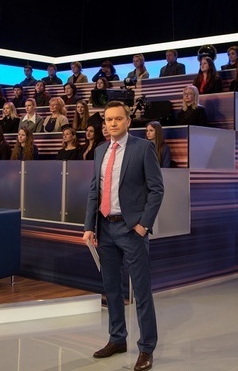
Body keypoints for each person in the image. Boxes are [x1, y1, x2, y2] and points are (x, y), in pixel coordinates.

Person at [83, 101, 164, 371]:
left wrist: (143, 225)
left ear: (128, 121)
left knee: (141, 291)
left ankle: (146, 348)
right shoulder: (100, 151)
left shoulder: (143, 148)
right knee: (112, 289)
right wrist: (89, 226)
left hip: (131, 230)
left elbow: (157, 189)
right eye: (109, 119)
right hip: (104, 229)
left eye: (118, 119)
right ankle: (117, 339)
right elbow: (94, 191)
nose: (113, 123)